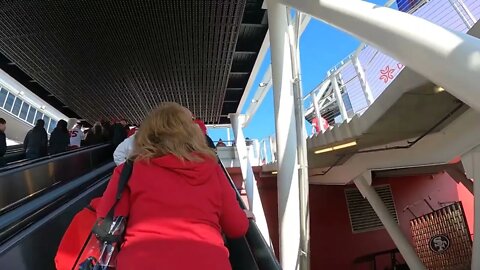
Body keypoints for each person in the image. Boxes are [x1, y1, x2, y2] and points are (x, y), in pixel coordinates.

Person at [97, 102, 249, 270]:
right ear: (192, 133)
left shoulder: (128, 170)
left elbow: (106, 221)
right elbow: (237, 228)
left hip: (141, 262)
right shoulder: (212, 170)